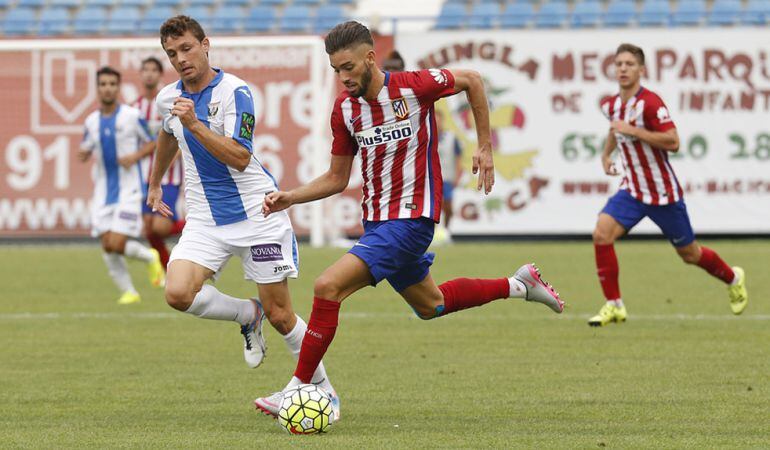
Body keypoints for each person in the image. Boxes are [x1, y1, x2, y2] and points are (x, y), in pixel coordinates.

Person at [254, 21, 563, 416]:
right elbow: (336, 178)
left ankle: (301, 388)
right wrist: (290, 198)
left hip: (413, 220)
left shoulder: (414, 87)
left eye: (348, 66)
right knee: (430, 304)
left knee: (327, 286)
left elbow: (471, 78)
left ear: (370, 57)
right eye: (336, 70)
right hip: (379, 223)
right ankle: (518, 285)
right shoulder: (345, 111)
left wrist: (485, 147)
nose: (343, 77)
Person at [147, 15, 338, 417]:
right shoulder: (168, 98)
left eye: (186, 49)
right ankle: (247, 315)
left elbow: (240, 156)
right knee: (177, 293)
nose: (180, 59)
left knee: (282, 315)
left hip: (258, 214)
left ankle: (324, 390)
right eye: (172, 54)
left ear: (205, 44)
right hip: (204, 219)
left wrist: (195, 124)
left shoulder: (236, 92)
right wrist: (154, 182)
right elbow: (167, 134)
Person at [589, 43, 748, 327]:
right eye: (619, 64)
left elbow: (673, 141)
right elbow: (616, 128)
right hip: (632, 190)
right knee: (601, 234)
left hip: (663, 194)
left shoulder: (650, 103)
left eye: (629, 64)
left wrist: (634, 130)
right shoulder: (612, 104)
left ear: (641, 70)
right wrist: (605, 154)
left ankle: (733, 278)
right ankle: (614, 305)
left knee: (690, 254)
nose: (623, 68)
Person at [79, 66, 165, 305]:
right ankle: (129, 292)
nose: (108, 88)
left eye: (112, 84)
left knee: (117, 242)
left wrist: (135, 157)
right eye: (103, 84)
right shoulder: (91, 121)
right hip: (103, 191)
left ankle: (150, 256)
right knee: (107, 246)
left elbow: (154, 142)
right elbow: (86, 146)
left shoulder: (131, 115)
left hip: (129, 190)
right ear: (97, 88)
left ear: (118, 88)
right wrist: (83, 154)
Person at [133, 56, 186, 272]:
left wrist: (165, 160)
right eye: (145, 69)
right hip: (144, 176)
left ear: (160, 74)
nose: (149, 74)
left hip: (170, 176)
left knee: (160, 226)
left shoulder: (169, 103)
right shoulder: (134, 109)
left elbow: (179, 137)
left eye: (153, 70)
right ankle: (167, 270)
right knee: (148, 229)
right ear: (140, 73)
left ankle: (196, 227)